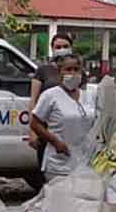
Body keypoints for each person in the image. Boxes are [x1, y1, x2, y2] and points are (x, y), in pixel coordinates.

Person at [30, 53, 98, 182]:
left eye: (76, 69)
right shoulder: (50, 95)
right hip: (59, 164)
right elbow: (35, 123)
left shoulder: (89, 96)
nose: (72, 73)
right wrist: (56, 142)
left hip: (84, 163)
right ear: (59, 73)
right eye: (68, 69)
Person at [26, 33, 74, 162]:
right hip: (45, 130)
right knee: (46, 166)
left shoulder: (75, 70)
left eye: (65, 46)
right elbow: (33, 102)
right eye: (58, 47)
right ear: (52, 48)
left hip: (70, 129)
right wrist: (32, 132)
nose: (62, 49)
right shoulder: (43, 70)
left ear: (71, 47)